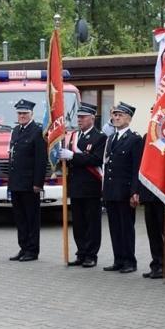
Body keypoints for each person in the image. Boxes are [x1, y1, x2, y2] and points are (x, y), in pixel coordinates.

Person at [59, 102, 106, 268]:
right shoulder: (73, 136)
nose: (79, 120)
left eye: (83, 117)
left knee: (92, 223)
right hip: (76, 186)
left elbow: (95, 159)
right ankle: (81, 253)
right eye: (78, 117)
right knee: (78, 223)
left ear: (92, 118)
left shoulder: (100, 137)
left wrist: (72, 156)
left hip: (91, 186)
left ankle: (91, 255)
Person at [102, 101, 143, 274]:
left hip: (125, 191)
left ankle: (129, 261)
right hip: (111, 190)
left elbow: (136, 168)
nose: (116, 118)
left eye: (120, 115)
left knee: (126, 228)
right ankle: (118, 259)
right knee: (114, 227)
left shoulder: (134, 139)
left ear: (129, 118)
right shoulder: (111, 137)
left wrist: (134, 191)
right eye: (115, 115)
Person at [8, 99, 46, 262]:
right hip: (16, 183)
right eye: (19, 113)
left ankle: (32, 250)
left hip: (30, 184)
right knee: (20, 218)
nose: (21, 116)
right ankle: (23, 247)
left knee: (31, 219)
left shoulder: (38, 132)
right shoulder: (16, 130)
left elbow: (40, 160)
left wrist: (38, 183)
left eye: (24, 113)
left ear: (32, 114)